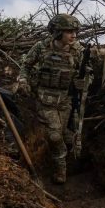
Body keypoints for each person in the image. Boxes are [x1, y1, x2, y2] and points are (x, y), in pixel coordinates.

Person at [17, 13, 89, 184]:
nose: (73, 35)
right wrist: (23, 80)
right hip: (44, 98)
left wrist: (83, 82)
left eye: (75, 32)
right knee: (55, 136)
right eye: (69, 31)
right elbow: (26, 66)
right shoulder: (41, 47)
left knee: (63, 133)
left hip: (65, 100)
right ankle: (61, 170)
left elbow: (88, 73)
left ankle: (77, 158)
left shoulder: (78, 51)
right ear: (57, 32)